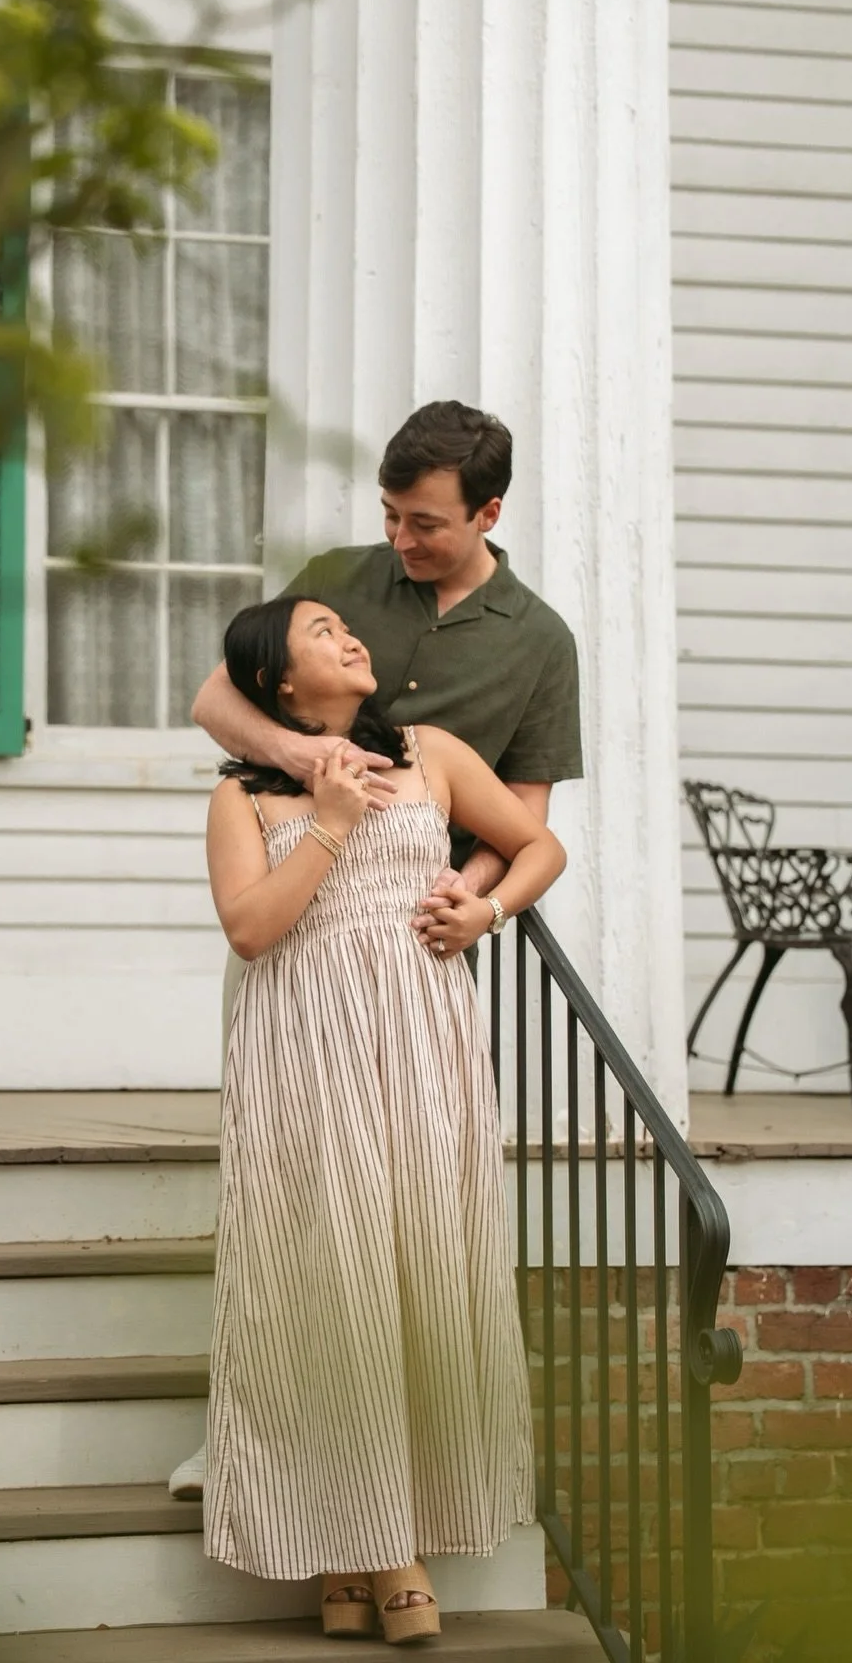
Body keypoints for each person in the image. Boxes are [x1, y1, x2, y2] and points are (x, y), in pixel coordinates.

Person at [170, 399, 583, 1502]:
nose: (400, 542)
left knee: (405, 1214)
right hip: (298, 936)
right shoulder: (334, 579)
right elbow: (219, 695)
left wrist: (475, 900)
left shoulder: (538, 641)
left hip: (411, 951)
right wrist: (312, 767)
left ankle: (408, 1465)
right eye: (392, 516)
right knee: (286, 1193)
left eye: (426, 524)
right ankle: (257, 1436)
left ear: (487, 512)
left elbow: (525, 811)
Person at [202, 596, 567, 1642]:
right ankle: (382, 1544)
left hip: (421, 1045)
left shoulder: (431, 750)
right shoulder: (241, 798)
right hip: (307, 1055)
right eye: (321, 632)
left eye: (345, 626)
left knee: (418, 1280)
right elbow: (252, 930)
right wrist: (330, 818)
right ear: (277, 681)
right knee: (333, 1288)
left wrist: (486, 909)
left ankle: (359, 1555)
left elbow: (537, 846)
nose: (350, 638)